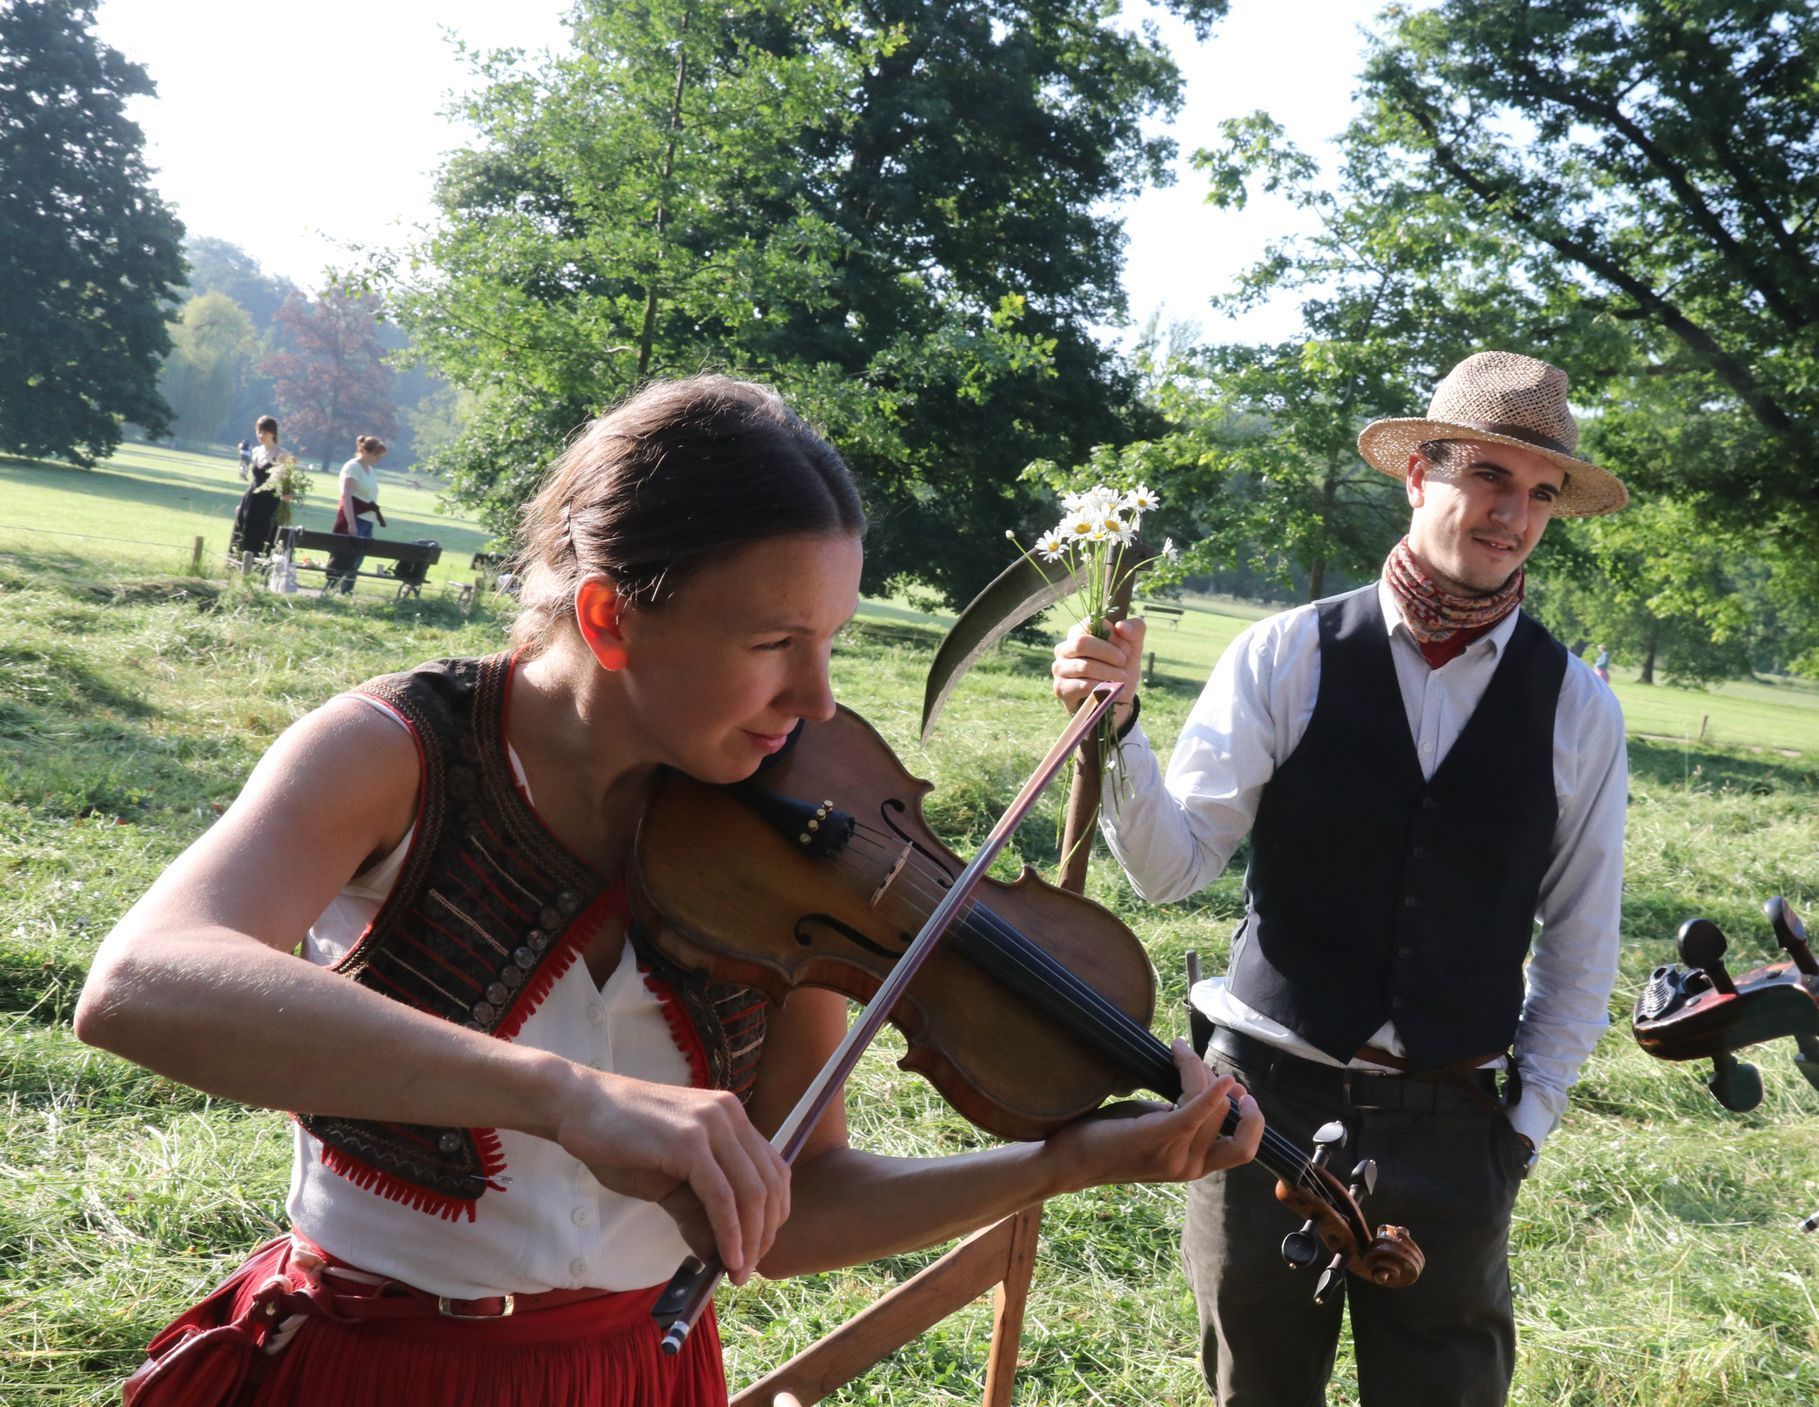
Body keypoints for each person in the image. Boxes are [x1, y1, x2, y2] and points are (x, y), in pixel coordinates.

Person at [76, 375, 1263, 1407]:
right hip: (380, 1364)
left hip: (640, 1372)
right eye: (773, 643)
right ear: (608, 615)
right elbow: (142, 985)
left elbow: (795, 1205)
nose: (817, 699)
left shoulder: (797, 848)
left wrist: (1061, 1165)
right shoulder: (399, 750)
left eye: (832, 642)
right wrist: (565, 1098)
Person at [1051, 351, 1630, 1407]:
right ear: (1418, 474)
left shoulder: (1578, 708)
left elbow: (1583, 937)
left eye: (1539, 493)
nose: (1514, 515)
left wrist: (1520, 1132)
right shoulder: (1286, 655)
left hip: (1456, 1127)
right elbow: (1170, 869)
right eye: (1490, 479)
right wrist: (1120, 729)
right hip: (1260, 1108)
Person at [324, 435, 389, 594]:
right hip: (354, 519)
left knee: (357, 560)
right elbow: (347, 496)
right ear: (366, 452)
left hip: (367, 521)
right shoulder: (353, 467)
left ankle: (346, 592)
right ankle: (329, 589)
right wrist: (351, 524)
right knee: (345, 558)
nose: (378, 459)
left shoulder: (370, 471)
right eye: (376, 455)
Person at [229, 416, 285, 566]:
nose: (261, 436)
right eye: (259, 432)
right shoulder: (255, 451)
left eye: (264, 432)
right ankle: (237, 566)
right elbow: (250, 475)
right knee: (243, 532)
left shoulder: (281, 454)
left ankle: (257, 568)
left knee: (262, 536)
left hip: (269, 502)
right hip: (251, 499)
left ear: (273, 433)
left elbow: (285, 484)